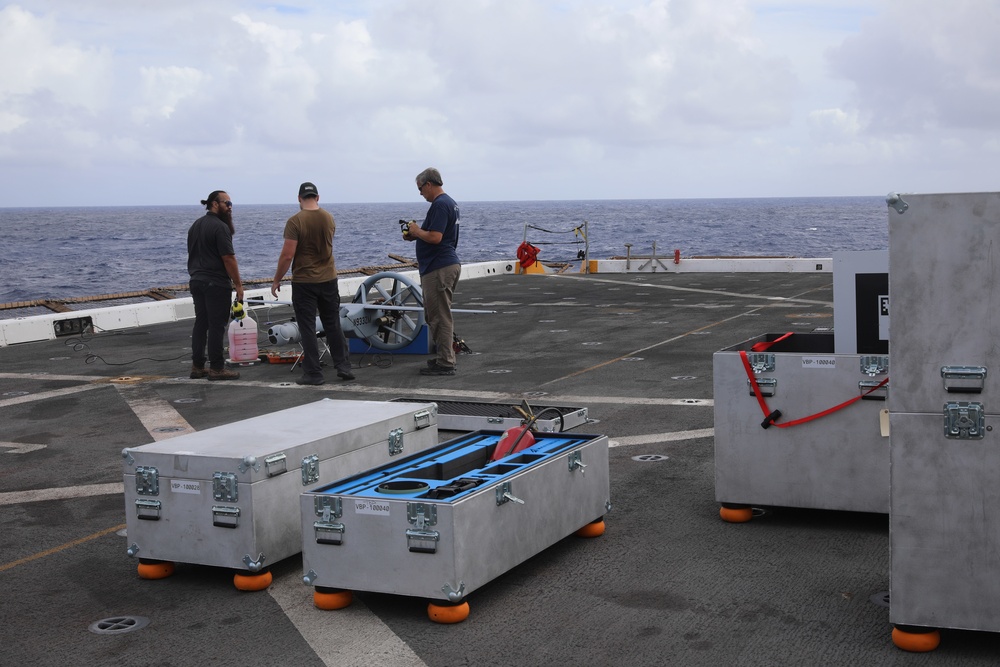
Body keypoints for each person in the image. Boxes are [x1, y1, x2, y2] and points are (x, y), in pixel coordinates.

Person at [270, 182, 354, 385]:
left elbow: (288, 254)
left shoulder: (295, 221)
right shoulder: (329, 218)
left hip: (304, 281)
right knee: (333, 324)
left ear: (299, 198)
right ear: (317, 197)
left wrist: (277, 279)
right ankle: (343, 367)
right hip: (328, 279)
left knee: (307, 327)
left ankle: (313, 373)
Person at [404, 167, 461, 376]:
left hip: (439, 267)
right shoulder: (450, 204)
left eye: (420, 189)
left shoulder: (440, 205)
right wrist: (416, 235)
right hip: (443, 265)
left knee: (440, 316)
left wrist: (417, 230)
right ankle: (443, 358)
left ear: (429, 184)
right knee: (435, 315)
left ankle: (446, 362)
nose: (420, 193)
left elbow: (436, 238)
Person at [187, 190, 243, 381]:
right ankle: (217, 368)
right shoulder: (220, 227)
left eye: (231, 204)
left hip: (196, 281)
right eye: (227, 203)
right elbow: (228, 258)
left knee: (201, 324)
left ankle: (197, 366)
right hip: (216, 283)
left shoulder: (195, 226)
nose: (230, 207)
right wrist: (238, 285)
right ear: (214, 204)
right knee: (217, 326)